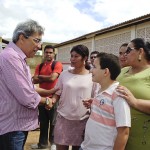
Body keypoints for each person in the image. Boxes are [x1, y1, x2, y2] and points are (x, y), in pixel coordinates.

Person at [0, 19, 55, 150]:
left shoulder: (19, 58)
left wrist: (49, 91)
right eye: (36, 40)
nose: (39, 46)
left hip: (17, 125)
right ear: (21, 37)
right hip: (13, 127)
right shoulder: (11, 57)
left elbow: (29, 87)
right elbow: (26, 96)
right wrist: (47, 101)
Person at [80, 52, 131, 150]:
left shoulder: (118, 95)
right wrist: (94, 103)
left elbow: (124, 132)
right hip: (86, 146)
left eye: (94, 67)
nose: (91, 70)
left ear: (105, 72)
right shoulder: (100, 90)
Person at [49, 45, 96, 150]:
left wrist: (92, 103)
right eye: (71, 56)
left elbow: (95, 97)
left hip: (83, 121)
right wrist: (52, 101)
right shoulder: (64, 74)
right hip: (63, 119)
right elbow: (57, 92)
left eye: (76, 56)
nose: (72, 59)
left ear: (84, 58)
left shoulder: (92, 76)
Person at [116, 38, 150, 150]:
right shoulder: (122, 71)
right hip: (116, 138)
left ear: (140, 52)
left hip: (141, 141)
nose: (125, 54)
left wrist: (135, 102)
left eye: (129, 50)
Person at [31, 45, 63, 149]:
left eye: (50, 52)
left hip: (53, 97)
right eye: (46, 52)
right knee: (43, 122)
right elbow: (34, 80)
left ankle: (53, 143)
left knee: (53, 122)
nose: (48, 54)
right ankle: (42, 144)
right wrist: (45, 78)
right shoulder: (39, 66)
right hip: (41, 98)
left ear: (54, 54)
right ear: (44, 53)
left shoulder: (57, 64)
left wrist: (40, 77)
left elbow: (53, 78)